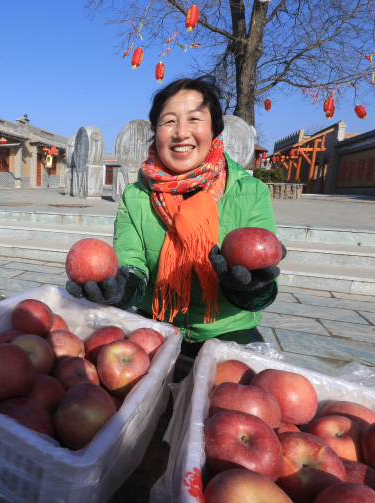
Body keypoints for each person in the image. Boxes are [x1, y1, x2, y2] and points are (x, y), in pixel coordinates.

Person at [66, 76, 284, 358]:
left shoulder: (251, 192)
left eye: (195, 119)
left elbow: (264, 290)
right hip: (155, 325)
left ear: (215, 130)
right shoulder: (136, 196)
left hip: (230, 331)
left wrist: (251, 288)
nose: (181, 133)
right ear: (155, 131)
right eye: (168, 121)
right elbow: (131, 262)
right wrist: (120, 291)